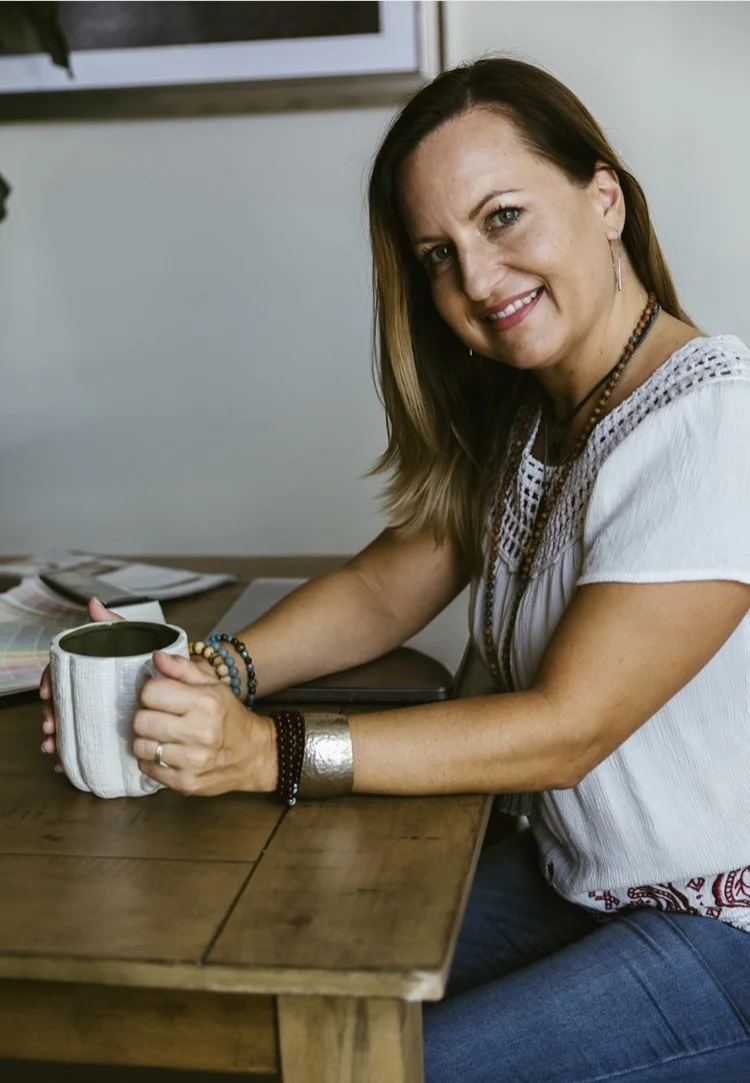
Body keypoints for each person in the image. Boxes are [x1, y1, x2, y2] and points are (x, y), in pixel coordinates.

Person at [40, 58, 750, 1080]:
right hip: (579, 882)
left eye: (503, 217)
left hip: (723, 928)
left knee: (381, 1070)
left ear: (605, 199)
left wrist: (262, 755)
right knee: (286, 1001)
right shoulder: (534, 415)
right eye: (437, 253)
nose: (474, 280)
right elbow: (383, 591)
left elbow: (566, 728)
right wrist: (200, 678)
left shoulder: (709, 422)